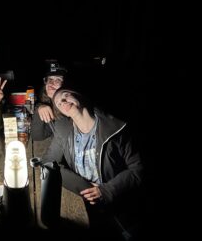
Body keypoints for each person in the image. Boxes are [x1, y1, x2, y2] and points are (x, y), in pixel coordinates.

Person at [43, 87, 144, 240]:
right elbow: (48, 163)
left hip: (118, 205)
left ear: (78, 95)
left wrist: (106, 190)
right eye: (58, 104)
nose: (62, 102)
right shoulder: (65, 133)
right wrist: (81, 184)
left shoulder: (114, 129)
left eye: (65, 96)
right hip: (86, 204)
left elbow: (138, 169)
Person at [31, 60, 69, 141]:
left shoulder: (68, 108)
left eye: (58, 80)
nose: (51, 83)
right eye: (50, 79)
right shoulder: (47, 100)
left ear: (66, 84)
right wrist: (39, 108)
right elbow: (37, 136)